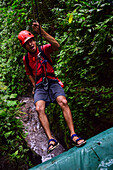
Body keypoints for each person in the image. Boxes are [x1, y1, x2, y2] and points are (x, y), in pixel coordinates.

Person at [18, 21, 86, 153]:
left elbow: (56, 45)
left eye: (31, 40)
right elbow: (29, 74)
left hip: (52, 81)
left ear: (34, 40)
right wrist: (34, 85)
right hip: (39, 86)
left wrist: (41, 31)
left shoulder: (43, 49)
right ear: (24, 46)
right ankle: (51, 139)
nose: (30, 43)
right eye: (27, 43)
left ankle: (73, 135)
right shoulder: (25, 59)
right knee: (38, 108)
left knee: (63, 102)